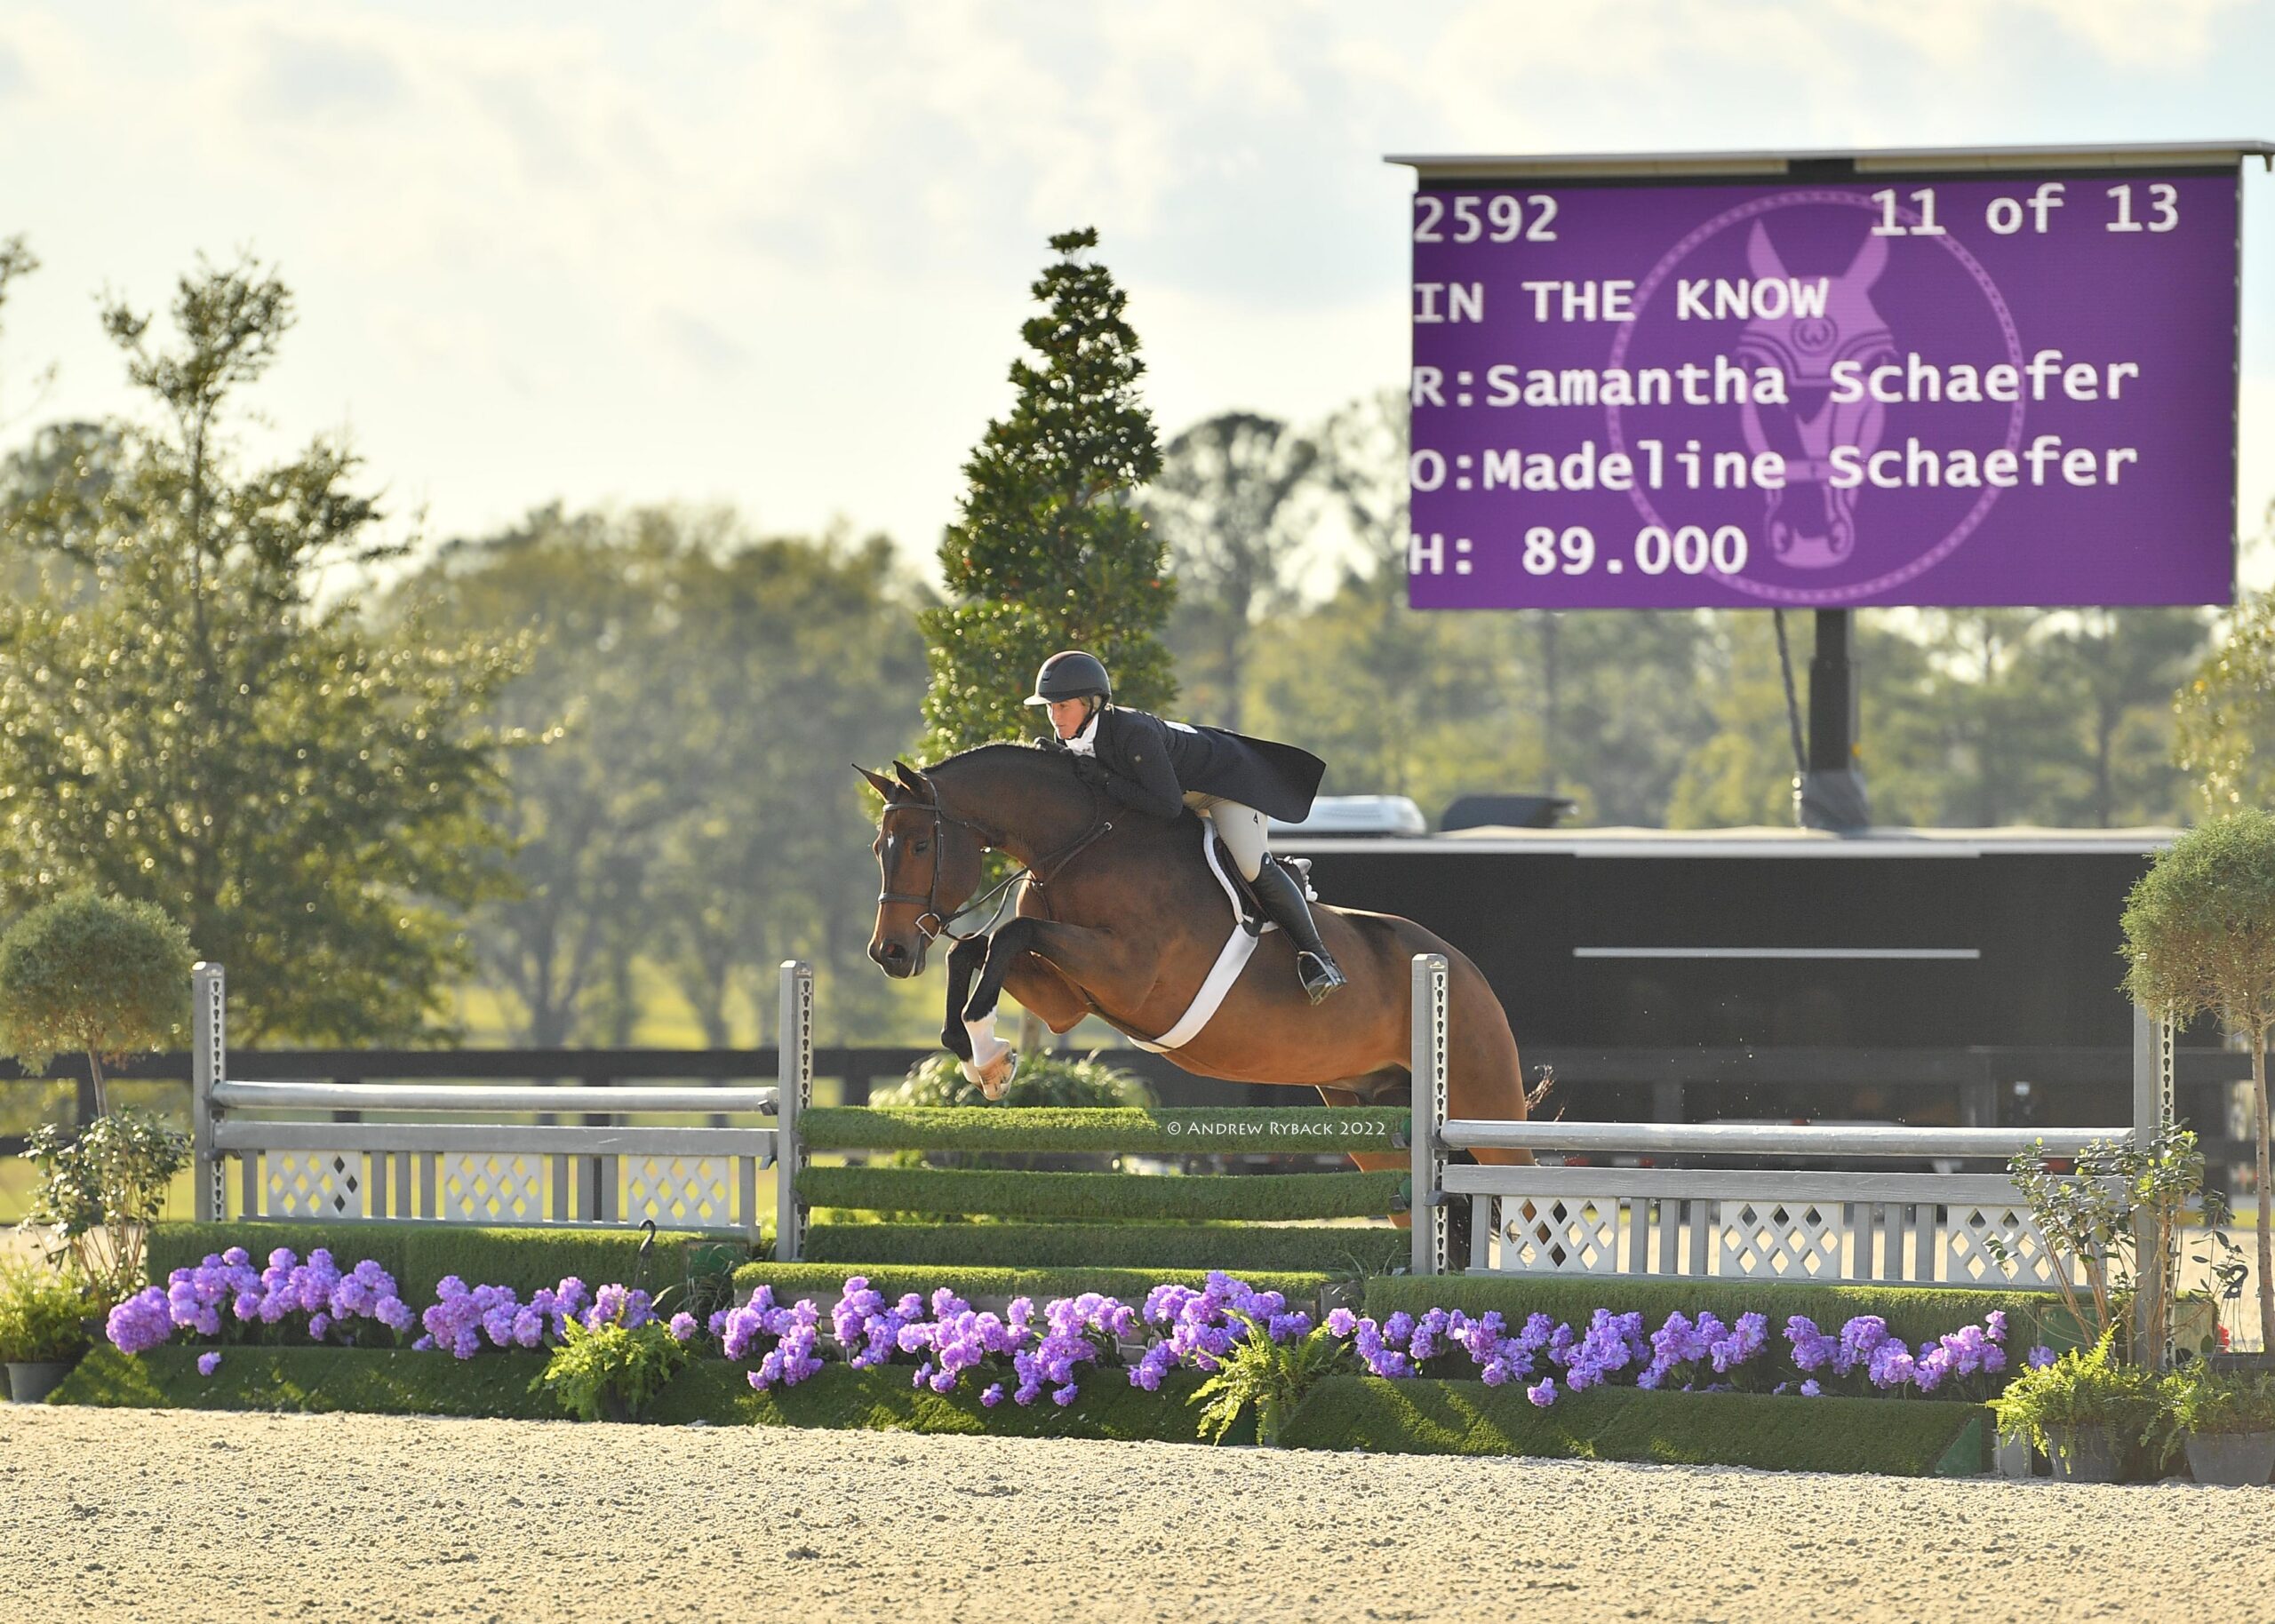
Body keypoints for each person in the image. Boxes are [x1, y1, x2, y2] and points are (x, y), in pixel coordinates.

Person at [1025, 649, 1346, 1004]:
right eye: (1050, 707)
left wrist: (1104, 779)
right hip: (1177, 793)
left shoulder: (1133, 732)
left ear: (1092, 704)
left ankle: (1318, 958)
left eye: (1063, 706)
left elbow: (1166, 806)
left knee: (1250, 866)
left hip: (1225, 788)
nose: (1055, 717)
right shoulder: (1073, 735)